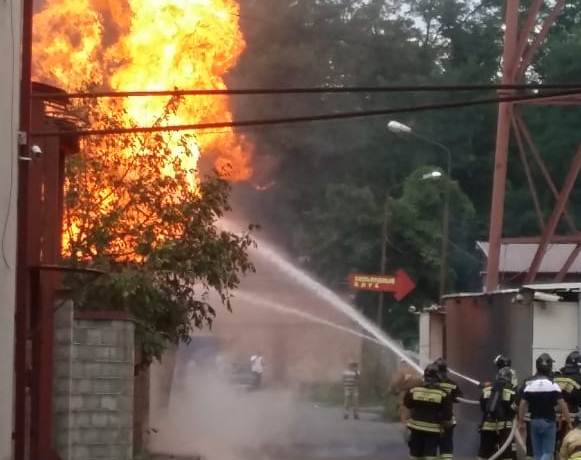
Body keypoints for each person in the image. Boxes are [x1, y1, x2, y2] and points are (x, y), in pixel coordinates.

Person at [519, 353, 572, 460]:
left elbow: (522, 404)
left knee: (537, 453)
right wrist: (569, 422)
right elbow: (563, 405)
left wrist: (521, 422)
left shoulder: (530, 385)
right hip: (549, 422)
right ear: (549, 367)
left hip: (534, 422)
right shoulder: (553, 385)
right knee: (548, 452)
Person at [403, 364, 453, 460]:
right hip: (432, 431)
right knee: (430, 456)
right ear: (438, 378)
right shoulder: (444, 394)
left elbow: (408, 404)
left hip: (415, 429)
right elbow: (447, 416)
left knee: (414, 455)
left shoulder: (414, 390)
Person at [479, 367, 518, 460]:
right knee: (507, 454)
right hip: (504, 428)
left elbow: (483, 407)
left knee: (484, 453)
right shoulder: (511, 392)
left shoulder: (486, 390)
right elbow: (513, 409)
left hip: (487, 426)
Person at [434, 358, 463, 460]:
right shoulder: (452, 384)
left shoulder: (429, 384)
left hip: (432, 418)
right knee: (446, 446)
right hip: (447, 418)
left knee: (430, 446)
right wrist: (450, 398)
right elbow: (459, 398)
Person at [555, 351, 581, 451]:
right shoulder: (578, 379)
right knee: (571, 443)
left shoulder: (557, 376)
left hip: (554, 417)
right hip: (572, 417)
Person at [389, 358, 423, 423]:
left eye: (406, 364)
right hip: (405, 404)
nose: (404, 366)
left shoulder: (416, 375)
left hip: (415, 403)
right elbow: (393, 389)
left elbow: (418, 383)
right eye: (403, 364)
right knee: (406, 419)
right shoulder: (398, 374)